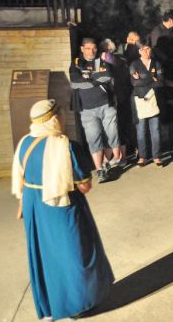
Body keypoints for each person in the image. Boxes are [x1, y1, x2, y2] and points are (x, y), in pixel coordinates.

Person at [11, 99, 113, 321]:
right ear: (54, 118)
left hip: (33, 206)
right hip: (60, 206)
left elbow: (20, 179)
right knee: (75, 253)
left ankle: (50, 306)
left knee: (45, 255)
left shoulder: (24, 144)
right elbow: (85, 186)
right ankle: (78, 304)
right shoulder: (66, 145)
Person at [69, 38, 123, 181]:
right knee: (94, 138)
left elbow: (108, 75)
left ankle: (110, 160)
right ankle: (100, 169)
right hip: (87, 109)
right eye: (88, 48)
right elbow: (75, 83)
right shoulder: (76, 64)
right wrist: (95, 79)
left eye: (93, 48)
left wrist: (88, 80)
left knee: (112, 133)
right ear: (82, 48)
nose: (91, 51)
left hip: (106, 104)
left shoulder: (102, 60)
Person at [130, 44, 164, 167]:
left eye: (148, 49)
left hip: (154, 99)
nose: (146, 51)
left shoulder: (156, 64)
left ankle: (157, 156)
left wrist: (143, 79)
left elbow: (161, 82)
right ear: (139, 51)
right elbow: (134, 83)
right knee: (141, 130)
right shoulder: (134, 64)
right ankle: (143, 157)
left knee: (155, 129)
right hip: (140, 100)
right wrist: (151, 78)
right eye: (144, 49)